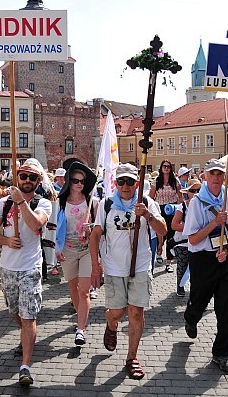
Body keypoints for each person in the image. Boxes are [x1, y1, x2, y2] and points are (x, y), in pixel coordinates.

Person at [89, 163, 166, 380]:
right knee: (118, 311)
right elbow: (95, 236)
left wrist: (148, 215)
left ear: (137, 184)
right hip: (114, 267)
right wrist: (96, 266)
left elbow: (163, 230)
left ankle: (132, 357)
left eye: (130, 182)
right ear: (116, 183)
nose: (125, 186)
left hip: (140, 265)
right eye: (121, 181)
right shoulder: (107, 204)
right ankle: (110, 324)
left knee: (136, 313)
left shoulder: (147, 202)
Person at [0, 160, 52, 386]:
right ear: (18, 177)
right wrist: (5, 240)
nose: (27, 181)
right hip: (7, 267)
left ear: (38, 182)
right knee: (16, 312)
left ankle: (25, 365)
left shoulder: (43, 203)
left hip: (30, 268)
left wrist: (21, 202)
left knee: (28, 315)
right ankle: (27, 335)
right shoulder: (3, 203)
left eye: (32, 178)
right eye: (23, 176)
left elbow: (35, 225)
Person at [182, 159, 228, 374]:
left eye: (220, 174)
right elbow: (192, 238)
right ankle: (191, 318)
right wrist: (214, 223)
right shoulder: (197, 203)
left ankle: (221, 353)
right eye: (213, 174)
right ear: (205, 177)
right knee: (199, 301)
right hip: (202, 260)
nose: (217, 178)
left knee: (226, 309)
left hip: (225, 259)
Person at [55, 161, 99, 347]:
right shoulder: (60, 202)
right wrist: (56, 249)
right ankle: (79, 312)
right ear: (68, 182)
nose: (79, 184)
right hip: (68, 251)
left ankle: (80, 330)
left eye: (82, 181)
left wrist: (93, 229)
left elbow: (100, 228)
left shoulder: (93, 202)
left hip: (87, 250)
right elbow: (54, 228)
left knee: (84, 291)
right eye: (75, 180)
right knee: (73, 289)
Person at [149, 159, 182, 273]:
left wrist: (180, 209)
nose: (166, 168)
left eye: (168, 166)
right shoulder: (156, 181)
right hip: (160, 209)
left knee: (170, 235)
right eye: (164, 166)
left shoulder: (175, 181)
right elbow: (150, 198)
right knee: (160, 234)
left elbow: (180, 196)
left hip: (172, 209)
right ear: (161, 168)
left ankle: (168, 262)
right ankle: (159, 252)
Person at [171, 178, 202, 297]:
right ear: (187, 192)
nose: (195, 193)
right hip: (183, 242)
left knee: (198, 269)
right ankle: (180, 285)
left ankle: (197, 290)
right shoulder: (182, 207)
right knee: (183, 265)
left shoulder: (204, 206)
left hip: (199, 243)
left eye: (198, 190)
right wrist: (190, 227)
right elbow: (174, 225)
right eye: (193, 190)